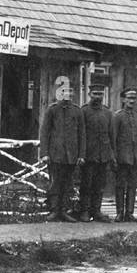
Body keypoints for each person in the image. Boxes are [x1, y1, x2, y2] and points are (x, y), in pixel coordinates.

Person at [39, 82, 85, 222]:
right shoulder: (52, 110)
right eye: (65, 91)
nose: (68, 95)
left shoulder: (77, 111)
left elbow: (82, 134)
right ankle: (54, 210)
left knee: (68, 183)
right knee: (55, 182)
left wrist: (81, 155)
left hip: (71, 155)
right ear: (59, 93)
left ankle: (64, 211)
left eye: (70, 92)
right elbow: (44, 132)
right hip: (55, 154)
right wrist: (44, 153)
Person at [112, 87, 137, 222]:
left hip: (136, 158)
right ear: (123, 99)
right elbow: (114, 138)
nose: (132, 101)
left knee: (132, 186)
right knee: (120, 185)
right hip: (122, 158)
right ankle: (119, 213)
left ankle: (129, 213)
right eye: (129, 98)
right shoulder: (117, 116)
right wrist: (114, 157)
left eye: (134, 98)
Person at [80, 88, 116, 222]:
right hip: (89, 155)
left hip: (103, 155)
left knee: (100, 185)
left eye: (100, 93)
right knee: (86, 184)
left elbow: (111, 136)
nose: (97, 96)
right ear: (89, 94)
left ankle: (96, 211)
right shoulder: (83, 111)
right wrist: (81, 155)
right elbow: (81, 134)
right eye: (95, 94)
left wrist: (112, 155)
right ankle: (84, 211)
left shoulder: (107, 113)